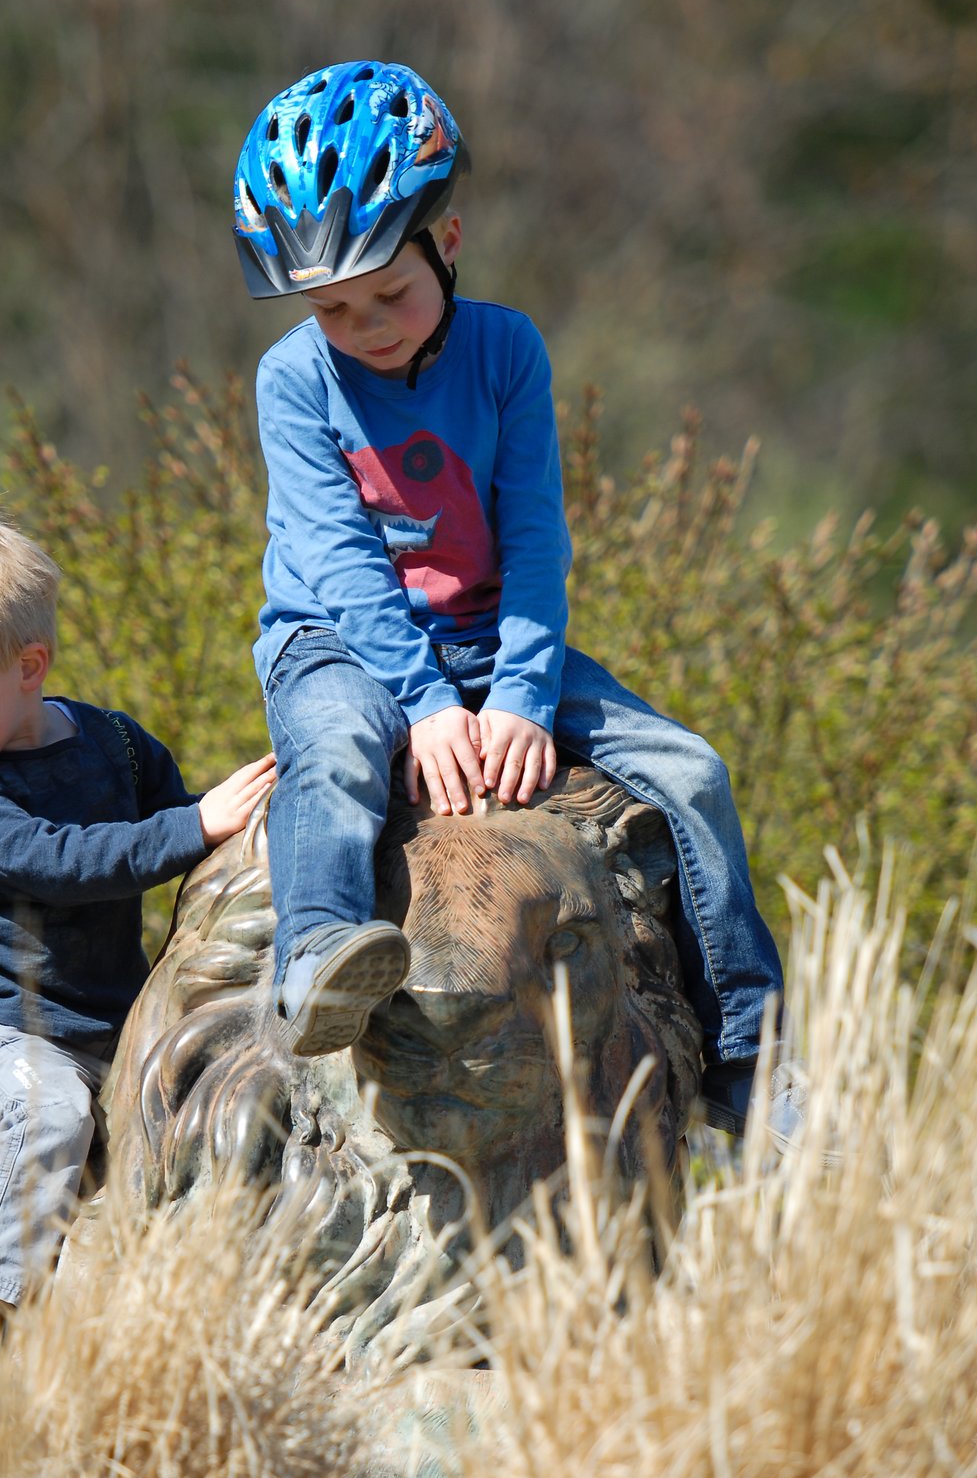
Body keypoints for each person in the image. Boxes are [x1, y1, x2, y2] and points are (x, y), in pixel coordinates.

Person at [232, 58, 801, 1141]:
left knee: (689, 770)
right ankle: (314, 956)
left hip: (495, 637)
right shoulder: (292, 381)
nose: (366, 326)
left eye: (388, 294)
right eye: (333, 308)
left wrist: (520, 697)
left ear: (445, 243)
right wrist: (427, 705)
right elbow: (340, 557)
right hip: (336, 641)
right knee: (338, 750)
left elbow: (535, 537)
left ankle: (747, 1055)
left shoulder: (505, 351)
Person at [0, 505, 276, 1356]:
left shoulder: (116, 745)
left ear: (28, 666)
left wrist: (242, 830)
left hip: (109, 1028)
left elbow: (176, 832)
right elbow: (62, 861)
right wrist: (198, 827)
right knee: (46, 1115)